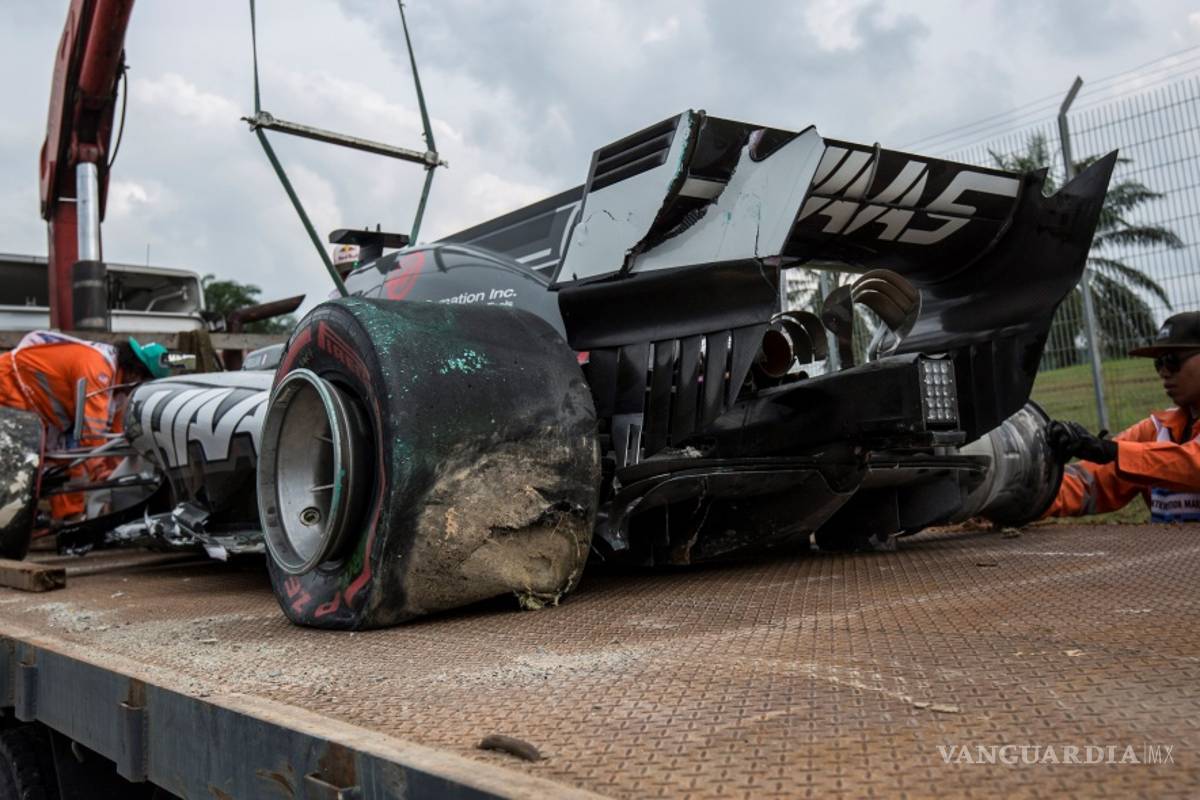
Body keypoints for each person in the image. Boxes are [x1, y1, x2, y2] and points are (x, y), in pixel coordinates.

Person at [1044, 311, 1200, 523]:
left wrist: (1111, 451)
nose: (1164, 372)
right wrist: (1020, 499)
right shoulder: (1156, 430)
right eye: (1158, 363)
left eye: (1172, 361)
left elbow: (1191, 463)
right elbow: (1089, 481)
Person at [0, 332, 169, 522]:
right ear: (136, 372)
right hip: (11, 384)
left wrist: (115, 472)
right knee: (17, 461)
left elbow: (116, 437)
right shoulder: (98, 369)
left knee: (65, 467)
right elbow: (93, 431)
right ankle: (11, 520)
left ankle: (68, 520)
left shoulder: (119, 386)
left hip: (41, 406)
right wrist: (101, 473)